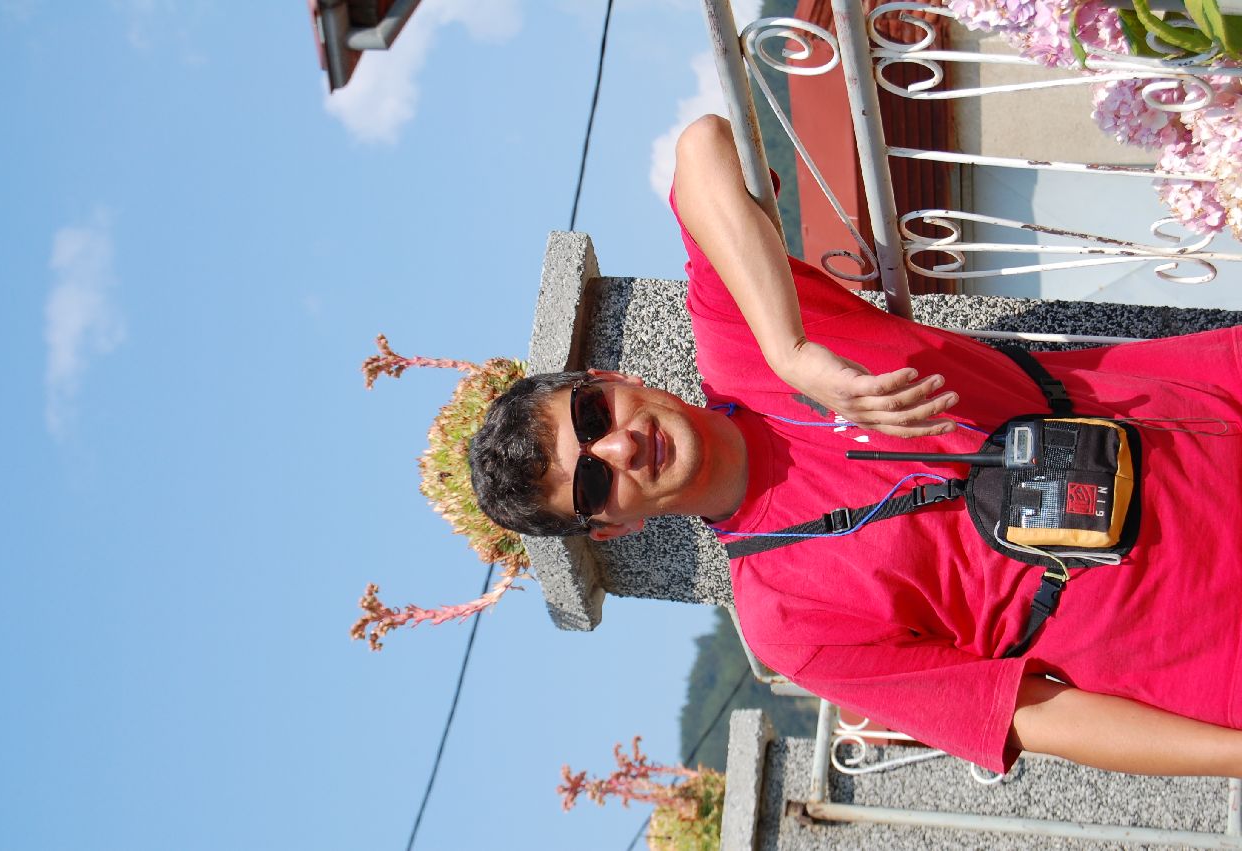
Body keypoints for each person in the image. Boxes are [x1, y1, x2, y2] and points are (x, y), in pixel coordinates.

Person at [468, 115, 1242, 777]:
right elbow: (1026, 712)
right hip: (1206, 638)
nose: (621, 448)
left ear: (612, 378)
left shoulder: (740, 342)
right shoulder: (785, 625)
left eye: (593, 413)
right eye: (593, 484)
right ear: (614, 527)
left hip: (1208, 404)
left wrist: (790, 352)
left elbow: (702, 148)